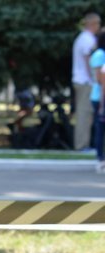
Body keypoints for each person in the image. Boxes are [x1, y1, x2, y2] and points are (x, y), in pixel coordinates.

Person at [72, 12, 100, 151]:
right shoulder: (87, 39)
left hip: (82, 80)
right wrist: (95, 79)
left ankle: (84, 143)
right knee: (84, 113)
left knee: (86, 113)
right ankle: (82, 145)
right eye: (98, 24)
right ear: (92, 24)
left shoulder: (83, 38)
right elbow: (88, 60)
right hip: (85, 81)